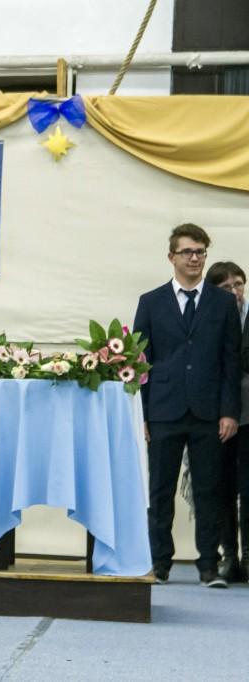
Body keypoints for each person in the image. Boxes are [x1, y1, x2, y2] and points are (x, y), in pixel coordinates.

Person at [134, 223, 241, 588]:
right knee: (160, 490)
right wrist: (142, 413)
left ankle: (208, 565)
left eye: (200, 252)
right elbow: (141, 362)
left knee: (208, 490)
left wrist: (229, 411)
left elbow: (231, 361)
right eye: (188, 252)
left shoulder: (222, 303)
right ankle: (159, 561)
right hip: (163, 409)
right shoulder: (151, 302)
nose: (195, 258)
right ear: (172, 257)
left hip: (209, 411)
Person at [206, 261, 249, 582]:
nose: (235, 291)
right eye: (226, 287)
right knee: (221, 487)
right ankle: (229, 556)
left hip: (248, 413)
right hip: (216, 413)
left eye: (239, 284)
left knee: (248, 488)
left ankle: (248, 556)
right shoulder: (209, 318)